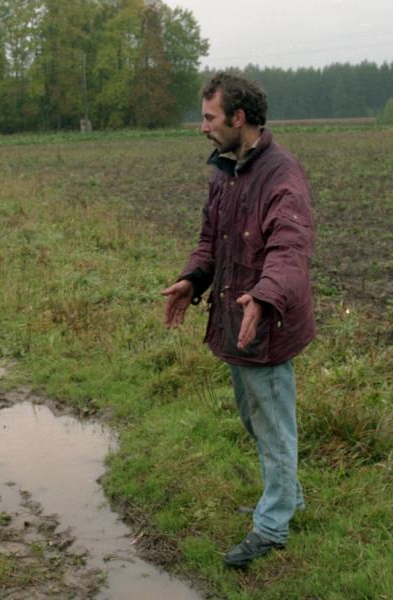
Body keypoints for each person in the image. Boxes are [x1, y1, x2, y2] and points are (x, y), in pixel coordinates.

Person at [161, 72, 316, 568]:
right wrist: (192, 280)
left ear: (239, 117)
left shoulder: (280, 175)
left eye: (210, 118)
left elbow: (289, 248)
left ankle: (272, 526)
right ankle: (288, 497)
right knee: (256, 420)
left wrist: (265, 298)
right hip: (234, 319)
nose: (203, 127)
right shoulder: (225, 172)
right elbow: (210, 240)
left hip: (264, 324)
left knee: (273, 428)